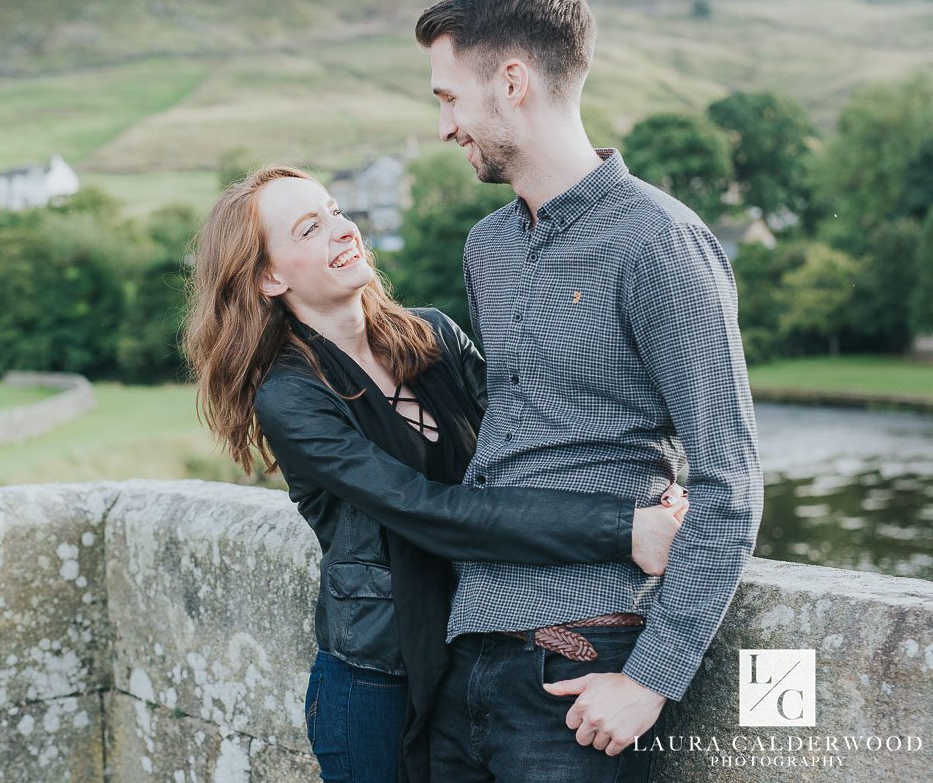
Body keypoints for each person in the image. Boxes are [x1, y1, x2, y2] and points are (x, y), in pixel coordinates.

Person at [181, 164, 691, 783]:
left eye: (337, 212)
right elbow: (431, 512)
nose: (344, 231)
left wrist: (654, 481)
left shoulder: (436, 337)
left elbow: (529, 441)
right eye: (310, 229)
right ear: (268, 277)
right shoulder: (289, 396)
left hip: (476, 650)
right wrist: (621, 528)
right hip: (376, 681)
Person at [412, 0, 765, 781]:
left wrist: (650, 678)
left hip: (579, 671)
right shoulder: (487, 248)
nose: (444, 127)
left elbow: (731, 481)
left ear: (511, 82)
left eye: (449, 98)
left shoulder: (661, 243)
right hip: (464, 663)